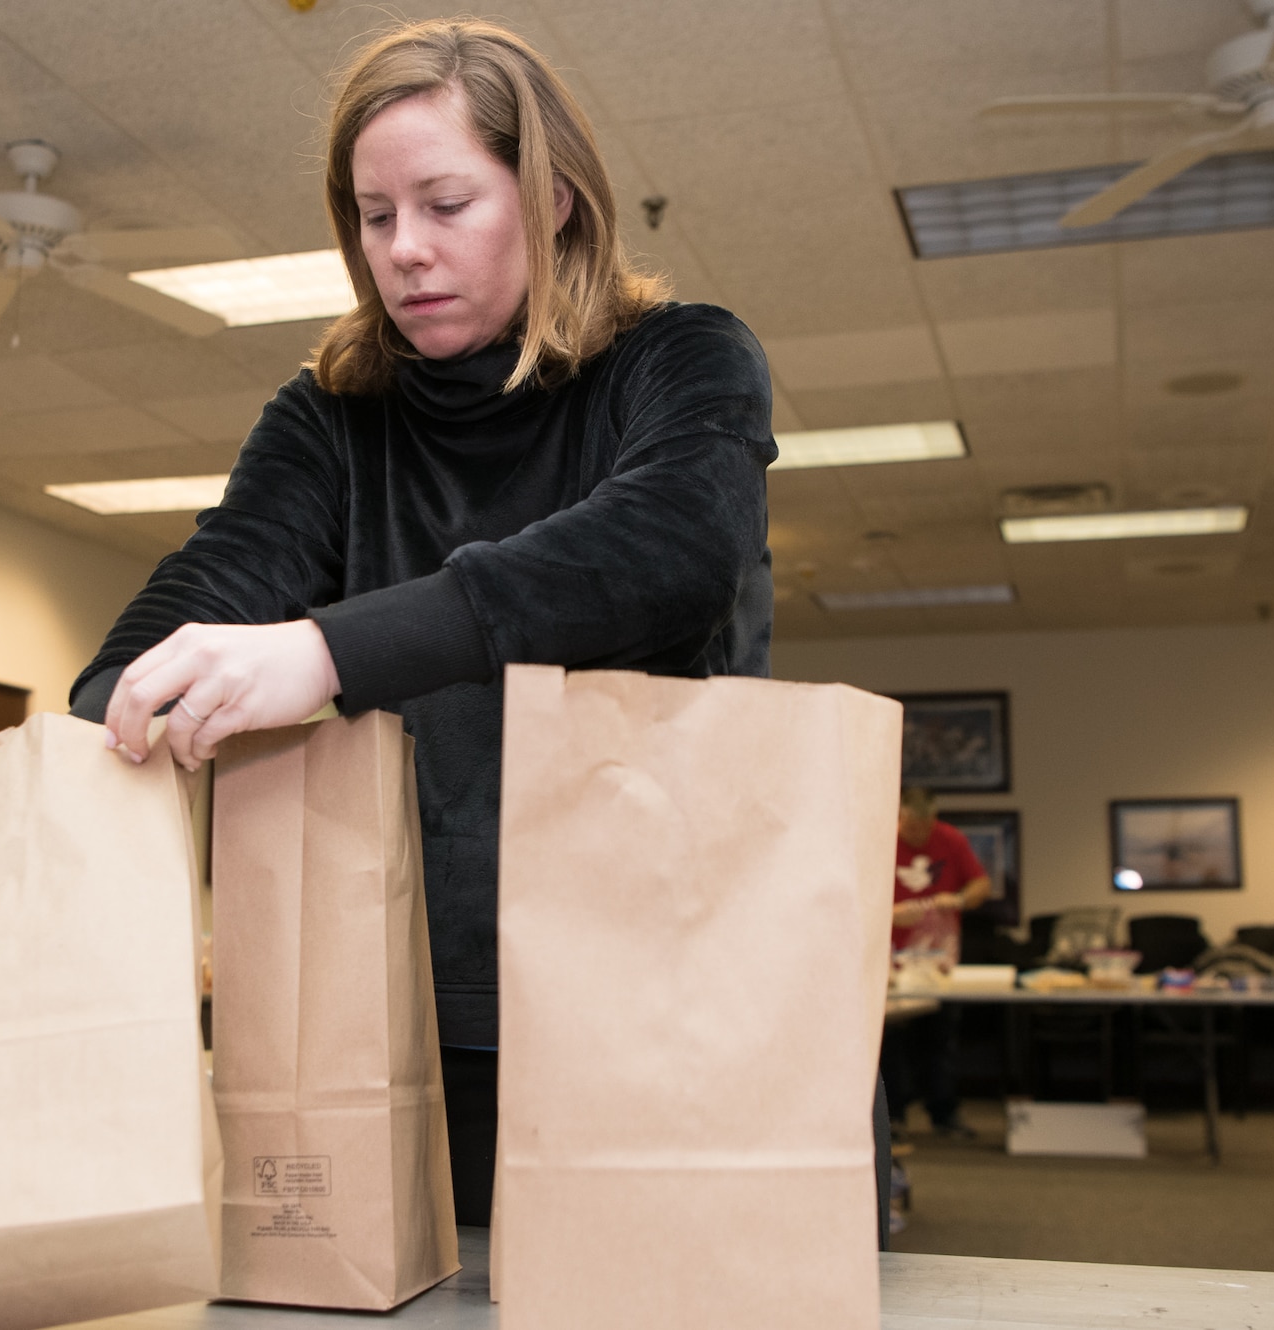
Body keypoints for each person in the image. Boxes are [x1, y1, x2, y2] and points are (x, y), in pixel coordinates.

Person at [70, 19, 777, 1226]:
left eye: (446, 203)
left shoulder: (680, 360)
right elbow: (209, 589)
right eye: (372, 213)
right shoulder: (331, 417)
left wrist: (326, 651)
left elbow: (669, 552)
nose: (403, 250)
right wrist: (113, 710)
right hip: (397, 1021)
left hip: (659, 1006)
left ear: (552, 197)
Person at [884, 785, 992, 1140]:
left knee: (940, 1039)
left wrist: (959, 899)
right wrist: (890, 914)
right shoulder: (880, 838)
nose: (920, 834)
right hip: (889, 962)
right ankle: (892, 1116)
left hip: (936, 962)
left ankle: (943, 1112)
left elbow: (980, 885)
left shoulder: (951, 840)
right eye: (912, 827)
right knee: (889, 1042)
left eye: (926, 826)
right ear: (899, 818)